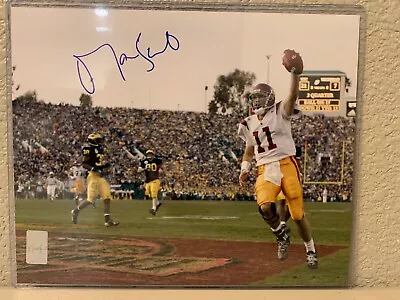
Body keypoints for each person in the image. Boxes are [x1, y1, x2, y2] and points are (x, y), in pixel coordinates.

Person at [237, 71, 318, 268]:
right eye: (254, 99)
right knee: (264, 206)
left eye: (260, 98)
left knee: (297, 215)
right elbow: (249, 151)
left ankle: (311, 250)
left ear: (270, 98)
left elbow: (292, 95)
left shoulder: (281, 110)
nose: (256, 102)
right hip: (265, 167)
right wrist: (244, 168)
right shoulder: (248, 123)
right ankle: (281, 235)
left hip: (287, 164)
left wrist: (295, 74)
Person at [71, 133, 119, 227]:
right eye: (97, 140)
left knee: (107, 198)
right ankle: (75, 211)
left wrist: (103, 167)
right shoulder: (89, 149)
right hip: (93, 176)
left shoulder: (100, 149)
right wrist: (93, 168)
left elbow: (98, 165)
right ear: (92, 141)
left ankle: (107, 220)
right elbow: (85, 164)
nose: (100, 142)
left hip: (99, 177)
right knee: (90, 200)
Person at [138, 149, 163, 215]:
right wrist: (144, 169)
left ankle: (153, 208)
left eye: (151, 154)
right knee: (150, 194)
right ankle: (157, 203)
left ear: (153, 155)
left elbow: (161, 166)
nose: (149, 155)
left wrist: (160, 169)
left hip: (155, 180)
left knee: (154, 194)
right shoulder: (144, 162)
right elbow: (138, 170)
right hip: (148, 181)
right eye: (148, 154)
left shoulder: (157, 161)